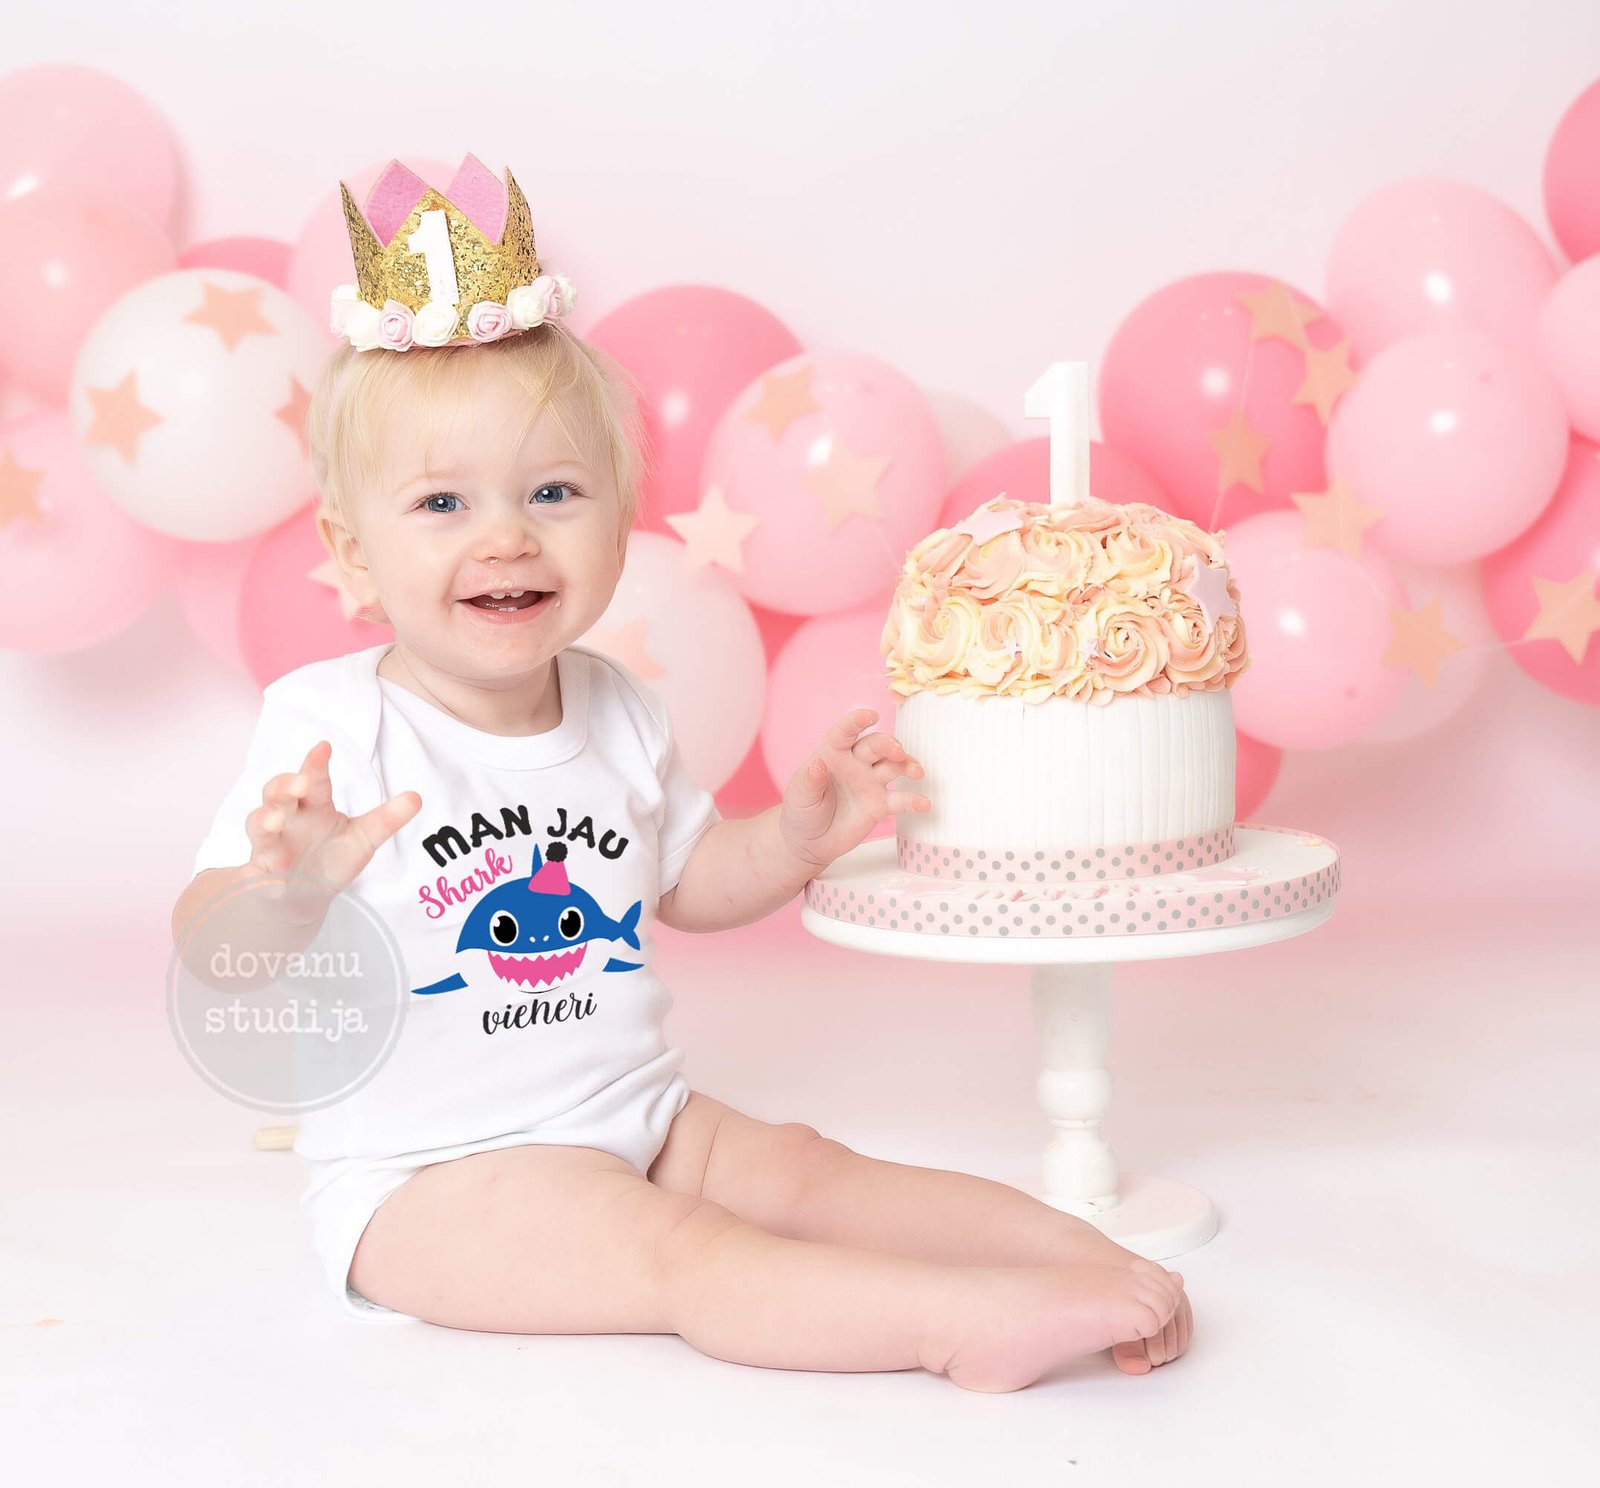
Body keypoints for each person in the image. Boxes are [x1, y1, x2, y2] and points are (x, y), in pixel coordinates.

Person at [170, 157, 1190, 1391]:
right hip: (434, 1178)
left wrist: (794, 838)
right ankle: (955, 1326)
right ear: (353, 551)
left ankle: (1083, 1257)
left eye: (554, 491)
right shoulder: (332, 726)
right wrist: (282, 896)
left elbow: (690, 881)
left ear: (621, 518)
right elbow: (213, 949)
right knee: (684, 1255)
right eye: (441, 503)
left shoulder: (612, 704)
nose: (507, 535)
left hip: (639, 1115)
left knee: (807, 1168)